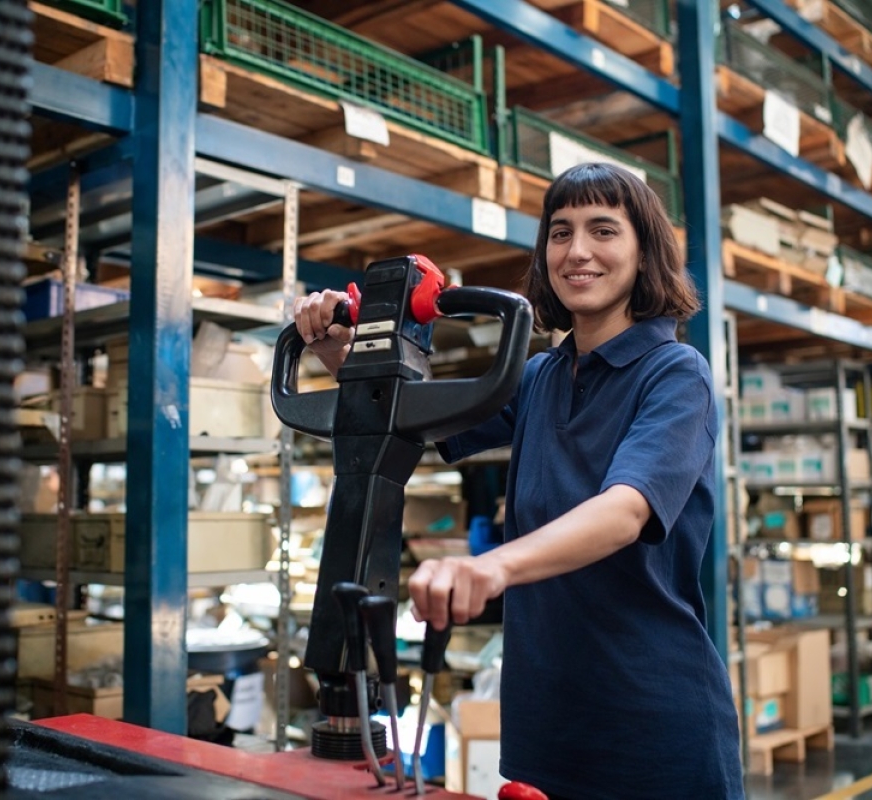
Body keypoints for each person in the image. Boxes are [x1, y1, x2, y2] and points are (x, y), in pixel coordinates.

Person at [292, 162, 743, 799]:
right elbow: (408, 423)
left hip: (651, 724)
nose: (577, 251)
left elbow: (625, 511)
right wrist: (339, 351)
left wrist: (492, 567)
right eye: (560, 233)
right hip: (548, 722)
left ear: (645, 254)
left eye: (603, 230)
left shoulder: (675, 373)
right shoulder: (538, 377)